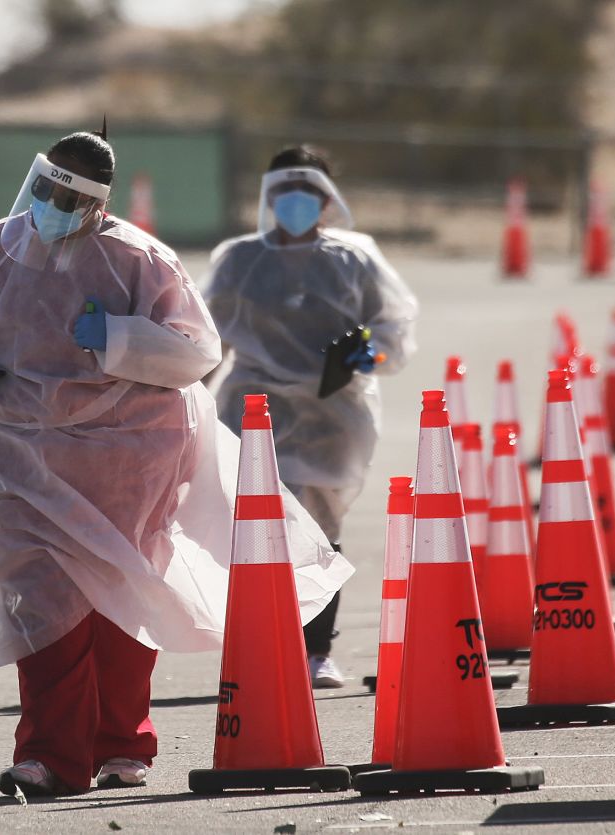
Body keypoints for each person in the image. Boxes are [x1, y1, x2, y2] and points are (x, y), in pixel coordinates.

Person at [0, 131, 354, 797]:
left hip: (125, 457)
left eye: (72, 195)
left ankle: (121, 743)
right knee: (45, 603)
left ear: (99, 203)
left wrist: (121, 340)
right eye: (46, 185)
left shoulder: (137, 258)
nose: (53, 202)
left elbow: (196, 353)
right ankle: (48, 757)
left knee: (121, 601)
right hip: (11, 463)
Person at [203, 145, 419, 688]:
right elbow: (209, 340)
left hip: (332, 415)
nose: (296, 202)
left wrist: (374, 351)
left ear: (329, 199)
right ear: (267, 197)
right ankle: (263, 649)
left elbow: (393, 326)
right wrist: (181, 400)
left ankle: (316, 650)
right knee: (257, 533)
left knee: (320, 532)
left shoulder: (355, 258)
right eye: (284, 191)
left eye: (309, 192)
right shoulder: (239, 259)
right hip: (254, 412)